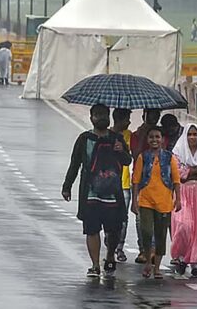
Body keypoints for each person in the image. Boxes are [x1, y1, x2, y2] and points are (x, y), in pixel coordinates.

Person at [62, 104, 130, 278]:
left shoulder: (117, 138)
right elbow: (75, 163)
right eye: (97, 115)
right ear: (91, 118)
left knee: (114, 229)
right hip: (90, 193)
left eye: (104, 114)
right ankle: (95, 265)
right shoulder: (84, 139)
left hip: (113, 194)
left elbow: (127, 161)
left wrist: (121, 151)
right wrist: (67, 186)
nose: (101, 118)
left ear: (109, 117)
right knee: (91, 229)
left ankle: (110, 255)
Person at [131, 126, 181, 279]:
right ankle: (148, 261)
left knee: (161, 235)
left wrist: (178, 199)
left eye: (157, 137)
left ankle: (157, 267)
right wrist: (134, 201)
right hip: (146, 201)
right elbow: (136, 180)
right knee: (146, 232)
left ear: (162, 140)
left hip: (164, 202)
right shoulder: (143, 157)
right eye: (151, 137)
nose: (154, 140)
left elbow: (176, 179)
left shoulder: (169, 157)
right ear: (147, 140)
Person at [170, 123, 197, 278]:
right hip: (183, 193)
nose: (192, 137)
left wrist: (189, 172)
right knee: (184, 225)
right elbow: (178, 173)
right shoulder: (178, 152)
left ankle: (194, 263)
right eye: (189, 134)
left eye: (195, 134)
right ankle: (180, 255)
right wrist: (195, 171)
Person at [129, 108, 162, 264]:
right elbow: (135, 154)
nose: (153, 118)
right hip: (141, 179)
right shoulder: (136, 135)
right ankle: (143, 249)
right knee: (140, 217)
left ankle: (154, 249)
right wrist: (143, 136)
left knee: (156, 216)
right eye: (150, 115)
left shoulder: (160, 135)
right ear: (144, 116)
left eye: (156, 115)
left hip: (158, 181)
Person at [110, 108, 133, 263]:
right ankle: (110, 243)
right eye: (126, 119)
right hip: (110, 184)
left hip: (125, 183)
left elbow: (130, 157)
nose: (129, 122)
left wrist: (122, 147)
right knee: (109, 218)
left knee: (123, 218)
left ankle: (119, 247)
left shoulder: (130, 136)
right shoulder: (106, 135)